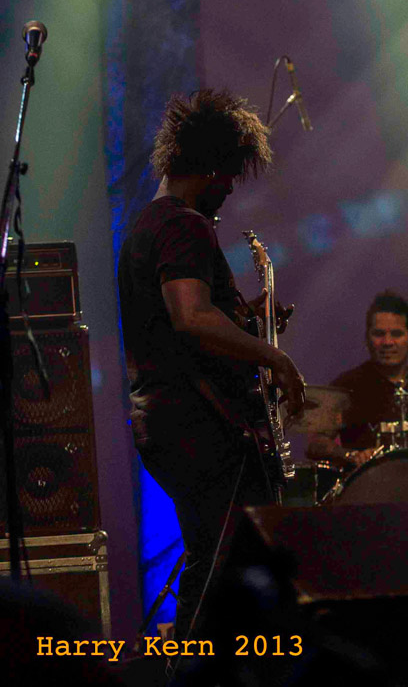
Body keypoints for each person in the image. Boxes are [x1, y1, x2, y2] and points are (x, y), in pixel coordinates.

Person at [117, 89, 304, 641]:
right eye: (229, 175)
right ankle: (194, 666)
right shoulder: (185, 225)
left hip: (165, 421)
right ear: (211, 166)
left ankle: (204, 662)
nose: (229, 189)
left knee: (217, 556)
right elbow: (192, 317)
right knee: (225, 564)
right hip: (198, 424)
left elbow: (182, 322)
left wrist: (245, 321)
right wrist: (274, 356)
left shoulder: (147, 226)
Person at [308, 290, 408, 466]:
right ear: (366, 339)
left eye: (396, 334)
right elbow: (315, 444)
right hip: (365, 481)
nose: (387, 342)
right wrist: (351, 456)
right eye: (379, 334)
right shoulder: (346, 386)